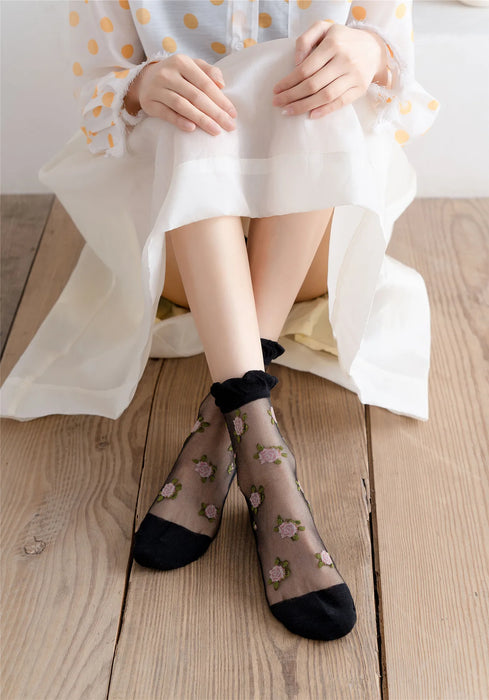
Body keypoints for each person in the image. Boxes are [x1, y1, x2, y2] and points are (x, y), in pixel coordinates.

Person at [0, 1, 440, 641]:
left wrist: (368, 57)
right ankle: (271, 476)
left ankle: (234, 426)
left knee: (312, 86)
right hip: (182, 255)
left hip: (315, 249)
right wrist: (139, 87)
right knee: (192, 105)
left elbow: (404, 84)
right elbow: (96, 95)